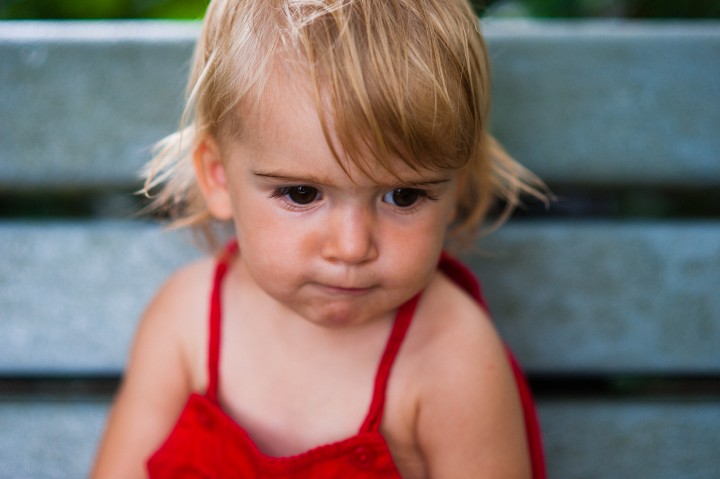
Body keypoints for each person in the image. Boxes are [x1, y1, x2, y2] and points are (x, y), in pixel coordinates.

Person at [92, 0, 548, 477]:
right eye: (302, 193)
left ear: (457, 188)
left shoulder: (450, 355)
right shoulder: (187, 320)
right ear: (219, 177)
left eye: (404, 196)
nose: (352, 247)